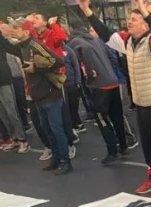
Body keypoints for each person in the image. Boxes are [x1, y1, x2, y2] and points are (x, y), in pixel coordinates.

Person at [78, 0, 151, 200]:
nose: (129, 22)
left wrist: (146, 12)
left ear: (145, 24)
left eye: (134, 19)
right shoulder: (127, 41)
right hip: (141, 103)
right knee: (148, 145)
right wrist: (87, 10)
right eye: (129, 18)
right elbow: (105, 33)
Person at [1, 20, 71, 174]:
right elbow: (6, 46)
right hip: (38, 95)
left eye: (16, 28)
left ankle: (66, 161)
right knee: (48, 130)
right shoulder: (21, 47)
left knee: (56, 130)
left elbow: (58, 61)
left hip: (50, 94)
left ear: (26, 31)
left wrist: (36, 67)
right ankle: (56, 159)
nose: (13, 31)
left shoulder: (36, 45)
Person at [69, 19, 128, 164]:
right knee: (117, 116)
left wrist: (90, 74)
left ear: (71, 29)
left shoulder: (76, 41)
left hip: (100, 85)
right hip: (112, 81)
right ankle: (123, 145)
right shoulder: (96, 39)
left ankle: (112, 151)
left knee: (103, 120)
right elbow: (110, 54)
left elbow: (86, 51)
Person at [0, 24, 29, 154]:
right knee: (2, 114)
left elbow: (10, 46)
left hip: (4, 80)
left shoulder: (2, 42)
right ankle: (14, 138)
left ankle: (22, 139)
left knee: (11, 111)